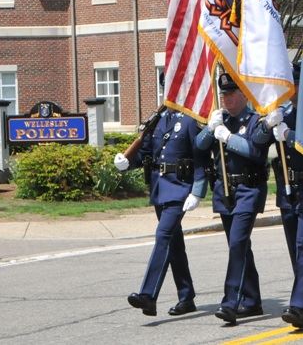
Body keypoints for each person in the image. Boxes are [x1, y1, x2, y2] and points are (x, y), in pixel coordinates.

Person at [252, 62, 303, 328]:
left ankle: (299, 306)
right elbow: (256, 142)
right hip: (288, 191)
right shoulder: (283, 111)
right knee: (297, 251)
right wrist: (267, 126)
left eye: (292, 83)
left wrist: (287, 134)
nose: (288, 89)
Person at [114, 98, 207, 318]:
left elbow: (201, 158)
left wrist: (197, 190)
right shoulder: (158, 119)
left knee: (163, 235)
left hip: (179, 189)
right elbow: (145, 151)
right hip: (159, 188)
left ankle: (148, 295)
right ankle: (186, 296)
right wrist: (128, 162)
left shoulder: (191, 121)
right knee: (173, 243)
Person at [195, 72, 269, 325]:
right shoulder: (220, 120)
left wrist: (228, 137)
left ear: (243, 95)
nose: (226, 99)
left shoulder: (255, 120)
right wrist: (210, 129)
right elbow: (199, 146)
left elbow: (255, 152)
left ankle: (230, 302)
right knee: (239, 246)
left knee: (237, 243)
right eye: (224, 94)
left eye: (231, 94)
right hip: (225, 191)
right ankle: (252, 300)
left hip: (248, 189)